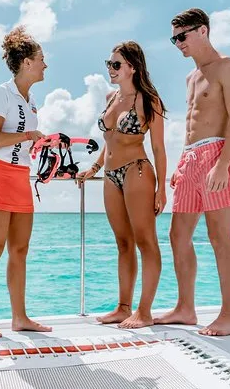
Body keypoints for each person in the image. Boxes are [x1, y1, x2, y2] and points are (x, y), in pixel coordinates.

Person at [154, 8, 230, 336]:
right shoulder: (191, 78)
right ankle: (185, 308)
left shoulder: (228, 67)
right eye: (174, 39)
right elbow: (191, 125)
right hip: (191, 160)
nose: (178, 43)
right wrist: (182, 163)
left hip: (218, 155)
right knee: (177, 235)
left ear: (203, 31)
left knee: (219, 236)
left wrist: (222, 164)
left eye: (182, 36)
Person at [76, 41, 167, 329]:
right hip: (110, 175)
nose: (110, 69)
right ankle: (123, 307)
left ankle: (145, 311)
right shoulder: (110, 97)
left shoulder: (149, 100)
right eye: (109, 64)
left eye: (116, 64)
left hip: (137, 171)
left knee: (145, 242)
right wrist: (94, 167)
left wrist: (162, 189)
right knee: (123, 242)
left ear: (133, 67)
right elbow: (110, 139)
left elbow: (159, 148)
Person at [0, 26, 52, 338]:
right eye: (42, 59)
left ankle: (20, 317)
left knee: (20, 250)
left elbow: (21, 141)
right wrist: (27, 135)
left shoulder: (31, 102)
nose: (46, 64)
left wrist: (38, 144)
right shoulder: (0, 94)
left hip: (21, 176)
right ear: (27, 62)